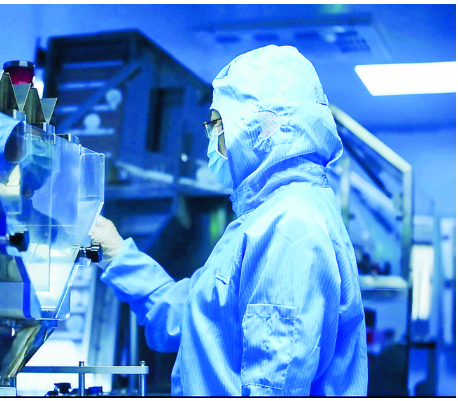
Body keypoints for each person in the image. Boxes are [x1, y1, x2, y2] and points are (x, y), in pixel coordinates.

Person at [90, 45, 368, 396]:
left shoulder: (290, 225)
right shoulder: (261, 219)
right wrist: (115, 252)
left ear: (256, 127)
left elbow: (272, 386)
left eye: (217, 124)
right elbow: (187, 316)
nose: (212, 138)